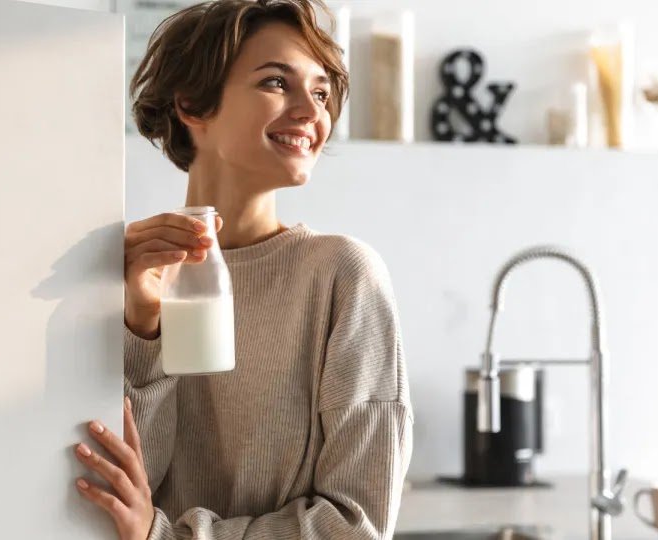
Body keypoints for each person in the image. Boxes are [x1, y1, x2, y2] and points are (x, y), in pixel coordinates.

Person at [72, 1, 413, 538]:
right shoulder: (122, 269)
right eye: (277, 83)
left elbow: (355, 525)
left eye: (321, 92)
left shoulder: (342, 275)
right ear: (192, 105)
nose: (311, 112)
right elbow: (110, 487)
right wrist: (142, 327)